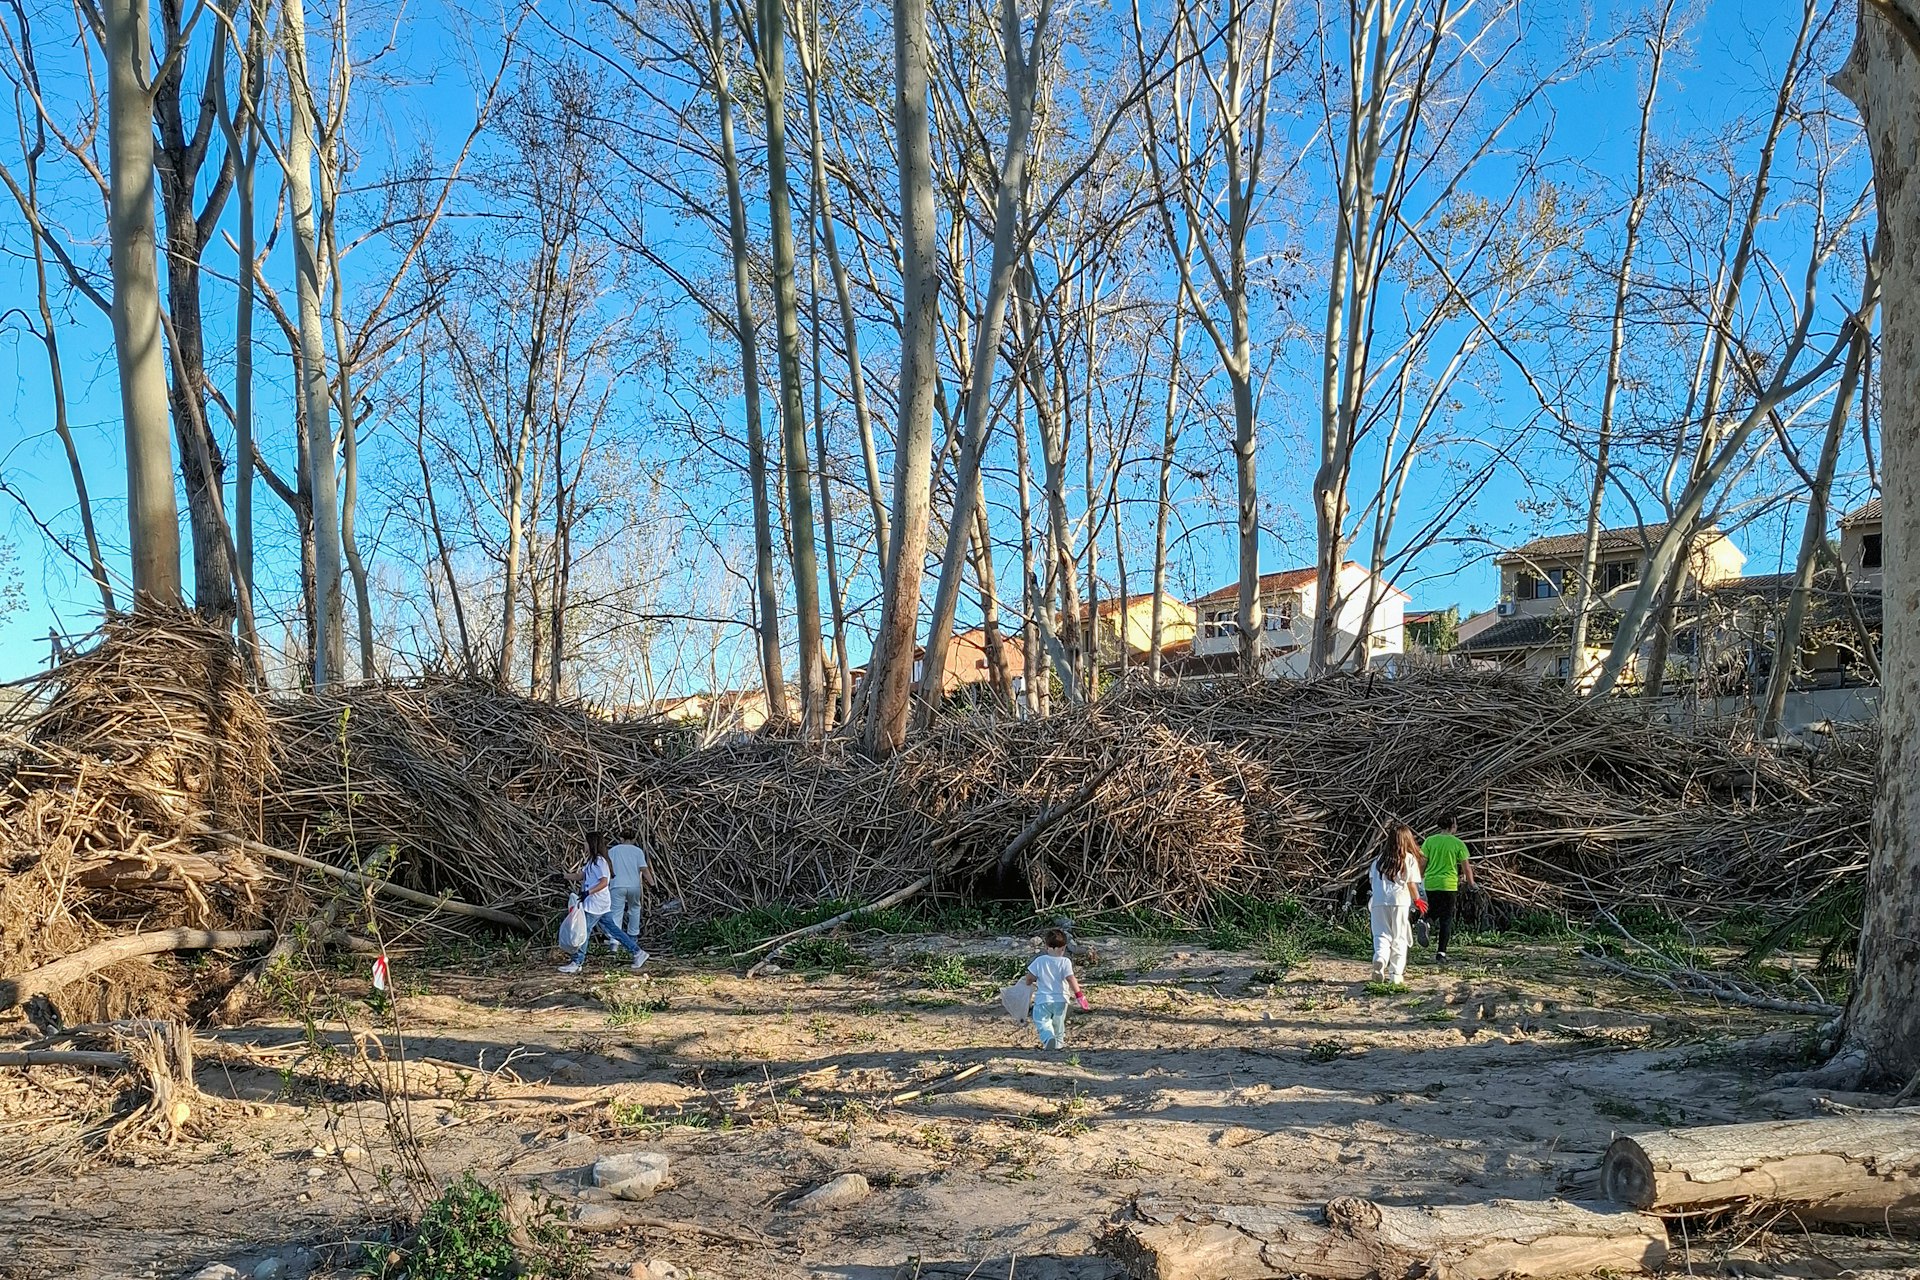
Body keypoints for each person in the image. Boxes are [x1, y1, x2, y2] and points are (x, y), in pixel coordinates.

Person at [561, 831, 648, 974]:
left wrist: (588, 892)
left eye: (585, 842)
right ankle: (637, 952)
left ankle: (577, 961)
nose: (584, 845)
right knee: (614, 930)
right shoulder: (592, 861)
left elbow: (604, 882)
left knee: (583, 931)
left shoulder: (600, 862)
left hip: (595, 904)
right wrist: (564, 876)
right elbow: (581, 875)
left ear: (592, 844)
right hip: (598, 904)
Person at [1368, 823, 1426, 984]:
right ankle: (1396, 974)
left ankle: (1380, 957)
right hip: (1400, 902)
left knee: (1381, 934)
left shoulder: (1379, 860)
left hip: (1378, 902)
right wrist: (1418, 901)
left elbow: (1372, 882)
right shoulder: (1409, 859)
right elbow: (1411, 884)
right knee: (1399, 936)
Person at [1419, 815, 1474, 964]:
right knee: (1447, 918)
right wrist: (1471, 884)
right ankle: (1441, 953)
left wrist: (1420, 876)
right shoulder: (1458, 844)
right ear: (1452, 826)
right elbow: (1466, 867)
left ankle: (1426, 921)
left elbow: (1423, 861)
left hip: (1431, 882)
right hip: (1448, 884)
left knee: (1434, 908)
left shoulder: (1429, 841)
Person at [1022, 927, 1086, 1050]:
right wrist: (1079, 995)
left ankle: (1048, 1038)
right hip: (1061, 999)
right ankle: (1059, 1044)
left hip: (1043, 999)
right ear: (1064, 948)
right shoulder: (1065, 962)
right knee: (1059, 1023)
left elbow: (1029, 978)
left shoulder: (1040, 961)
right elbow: (1071, 979)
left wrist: (1028, 982)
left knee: (1042, 1020)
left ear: (1046, 947)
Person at [606, 835, 656, 943]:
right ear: (634, 839)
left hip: (617, 885)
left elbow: (607, 867)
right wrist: (652, 885)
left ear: (621, 838)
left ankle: (614, 941)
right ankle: (633, 937)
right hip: (634, 886)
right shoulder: (638, 851)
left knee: (616, 912)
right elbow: (644, 869)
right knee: (634, 909)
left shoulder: (613, 851)